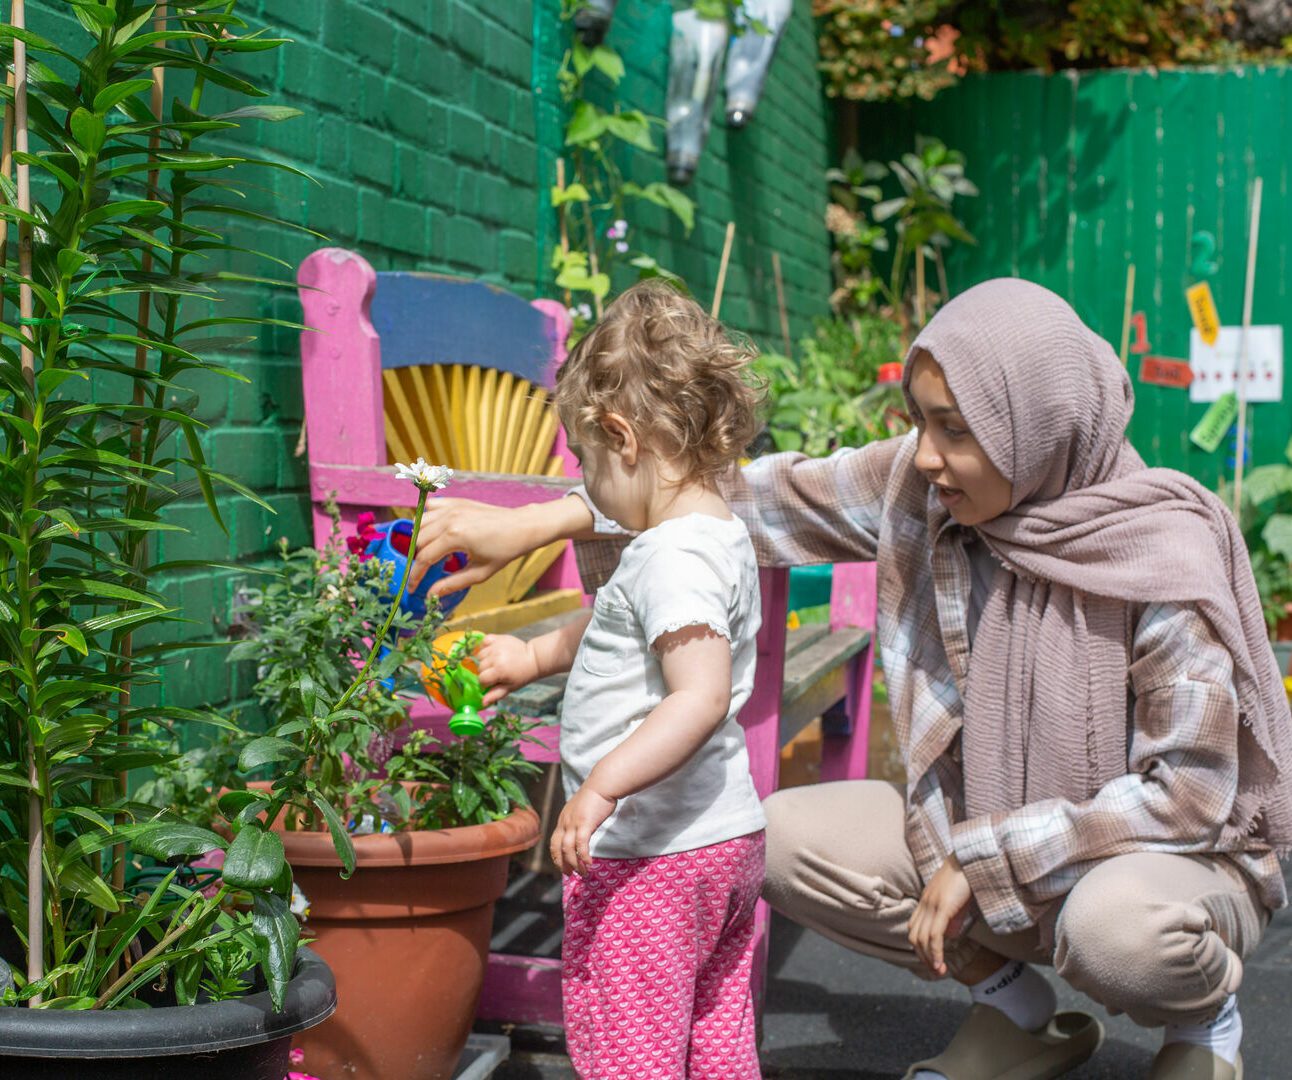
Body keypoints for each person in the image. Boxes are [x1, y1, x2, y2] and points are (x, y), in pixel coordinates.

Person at [412, 279, 1292, 1080]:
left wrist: (986, 857)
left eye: (957, 427)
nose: (929, 453)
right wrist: (534, 523)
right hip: (999, 836)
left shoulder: (1162, 553)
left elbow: (1189, 797)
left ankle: (1203, 1025)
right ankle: (1016, 1015)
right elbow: (723, 492)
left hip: (1160, 863)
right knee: (778, 836)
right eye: (921, 421)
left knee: (1118, 933)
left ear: (1037, 424)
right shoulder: (923, 486)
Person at [468, 281, 768, 1079]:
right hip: (722, 844)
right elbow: (623, 629)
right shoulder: (714, 532)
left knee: (630, 1049)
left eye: (588, 465)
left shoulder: (671, 556)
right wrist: (532, 658)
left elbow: (697, 696)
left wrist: (599, 787)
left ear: (622, 437)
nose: (590, 491)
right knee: (714, 1035)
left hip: (650, 857)